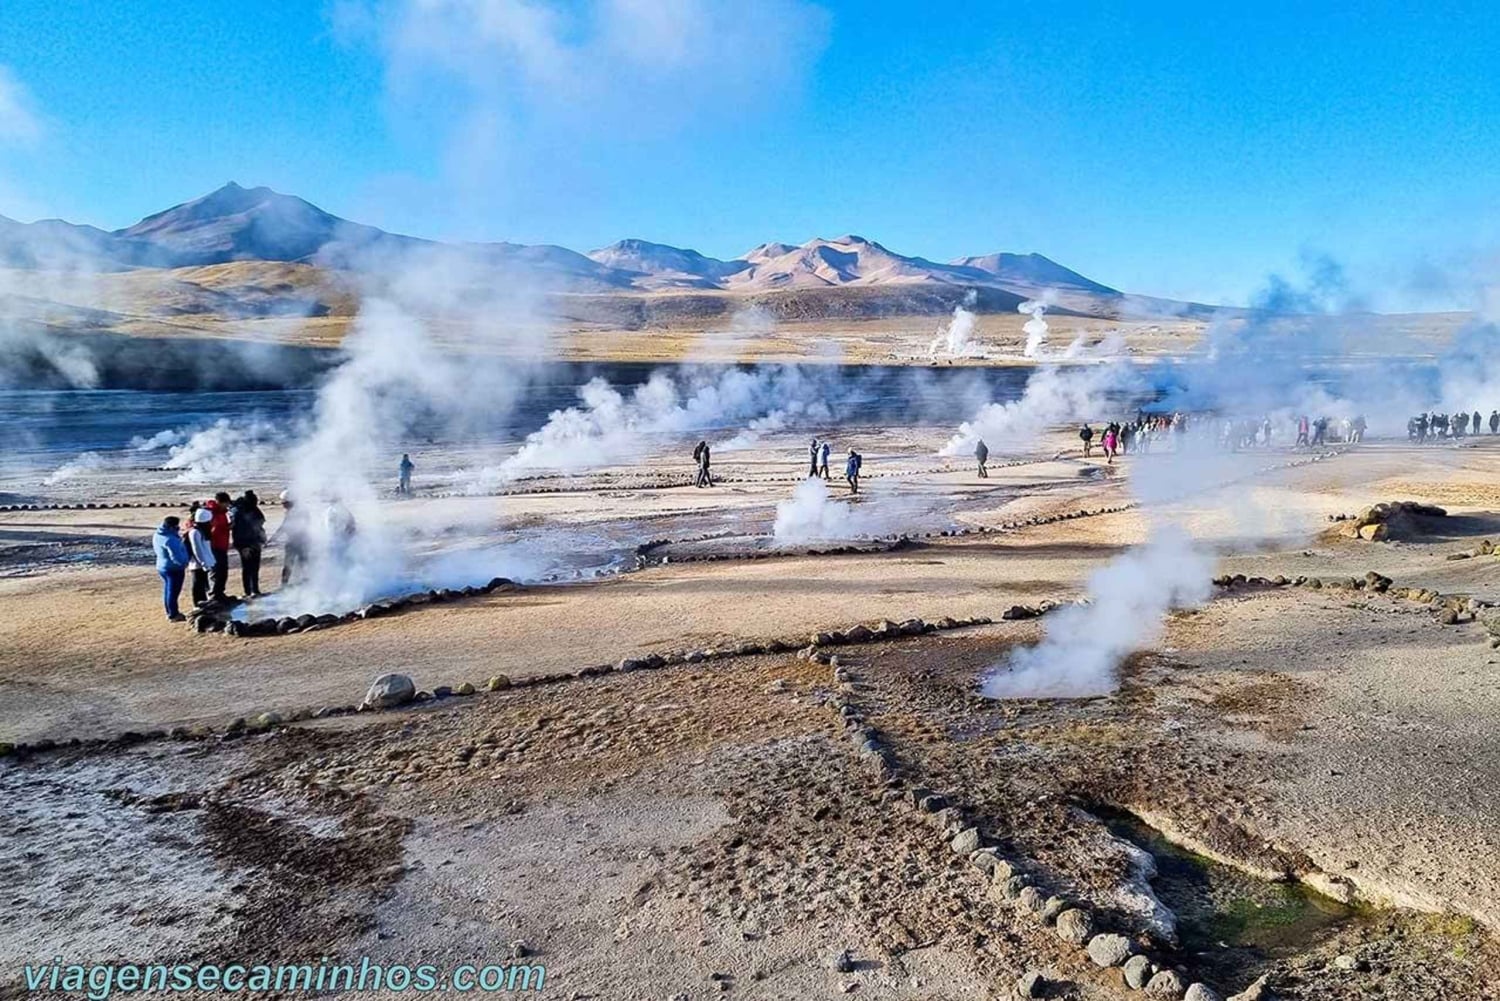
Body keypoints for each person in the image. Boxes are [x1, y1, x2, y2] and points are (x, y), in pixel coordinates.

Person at [152, 515, 190, 621]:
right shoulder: (170, 539)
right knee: (173, 592)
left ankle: (170, 612)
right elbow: (175, 556)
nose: (178, 528)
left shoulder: (158, 535)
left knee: (168, 591)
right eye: (177, 527)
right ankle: (173, 614)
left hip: (162, 566)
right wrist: (183, 563)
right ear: (172, 527)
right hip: (173, 569)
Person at [231, 490, 267, 597]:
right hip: (244, 544)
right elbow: (238, 531)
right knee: (247, 567)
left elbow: (260, 525)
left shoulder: (254, 510)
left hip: (255, 542)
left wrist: (262, 539)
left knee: (255, 567)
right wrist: (243, 547)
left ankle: (255, 589)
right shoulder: (239, 512)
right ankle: (248, 591)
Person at [204, 491, 233, 600]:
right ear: (220, 502)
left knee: (223, 571)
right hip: (214, 546)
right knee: (216, 571)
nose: (227, 506)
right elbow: (214, 530)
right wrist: (227, 527)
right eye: (226, 503)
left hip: (222, 545)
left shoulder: (222, 512)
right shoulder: (211, 513)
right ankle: (213, 595)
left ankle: (220, 593)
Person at [277, 490, 309, 587]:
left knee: (297, 563)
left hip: (297, 542)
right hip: (296, 542)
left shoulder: (297, 512)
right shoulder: (295, 511)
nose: (283, 506)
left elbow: (285, 527)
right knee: (295, 563)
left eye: (285, 503)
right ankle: (289, 584)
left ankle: (293, 583)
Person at [187, 507, 217, 607]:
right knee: (198, 586)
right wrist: (204, 563)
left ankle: (204, 603)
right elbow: (197, 550)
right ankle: (198, 605)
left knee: (204, 585)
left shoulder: (203, 531)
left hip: (206, 562)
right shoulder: (195, 532)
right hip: (198, 565)